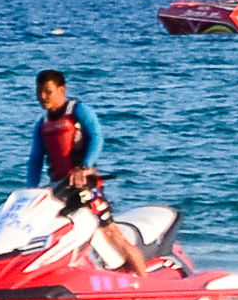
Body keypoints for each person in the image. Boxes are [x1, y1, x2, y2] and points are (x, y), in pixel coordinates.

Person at [28, 70, 151, 275]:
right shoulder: (42, 125)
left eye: (48, 92)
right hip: (59, 190)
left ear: (62, 90)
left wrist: (84, 166)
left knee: (111, 234)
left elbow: (97, 137)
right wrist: (31, 191)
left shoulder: (78, 110)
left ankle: (145, 282)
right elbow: (35, 160)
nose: (42, 97)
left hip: (86, 187)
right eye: (39, 92)